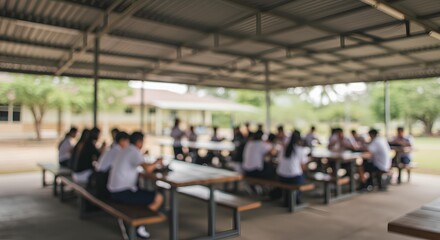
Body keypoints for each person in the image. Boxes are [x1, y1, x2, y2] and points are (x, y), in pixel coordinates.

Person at [107, 132, 163, 239]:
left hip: (113, 190)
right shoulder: (134, 152)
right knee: (158, 198)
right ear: (139, 142)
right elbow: (148, 169)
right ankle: (139, 226)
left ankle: (138, 222)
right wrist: (157, 162)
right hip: (121, 192)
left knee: (142, 192)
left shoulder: (126, 150)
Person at [92, 131, 130, 199]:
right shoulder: (118, 152)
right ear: (122, 141)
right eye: (127, 142)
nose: (128, 144)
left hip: (99, 177)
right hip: (103, 180)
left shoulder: (112, 149)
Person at [276, 130, 309, 204]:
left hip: (281, 176)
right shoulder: (300, 150)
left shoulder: (283, 149)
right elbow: (303, 167)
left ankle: (287, 199)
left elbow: (279, 161)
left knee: (294, 176)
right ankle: (296, 198)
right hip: (294, 178)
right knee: (303, 176)